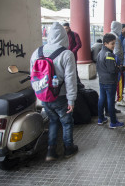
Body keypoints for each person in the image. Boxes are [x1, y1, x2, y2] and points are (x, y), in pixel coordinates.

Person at [30, 22, 78, 161]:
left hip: (44, 96)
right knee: (67, 122)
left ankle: (51, 151)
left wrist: (39, 95)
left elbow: (33, 77)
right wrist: (71, 99)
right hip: (61, 96)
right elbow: (70, 78)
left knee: (52, 121)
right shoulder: (66, 54)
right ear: (64, 37)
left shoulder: (37, 52)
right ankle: (68, 149)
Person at [96, 33, 125, 129]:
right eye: (112, 44)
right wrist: (120, 68)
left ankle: (101, 119)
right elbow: (112, 70)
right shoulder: (109, 55)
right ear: (105, 44)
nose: (114, 46)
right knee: (110, 102)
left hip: (102, 80)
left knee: (102, 99)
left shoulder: (100, 53)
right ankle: (113, 122)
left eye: (114, 43)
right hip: (110, 82)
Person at [110, 21, 125, 107]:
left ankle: (113, 99)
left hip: (110, 63)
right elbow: (117, 52)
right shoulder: (116, 38)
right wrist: (120, 64)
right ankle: (120, 99)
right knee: (120, 81)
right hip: (117, 63)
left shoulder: (108, 35)